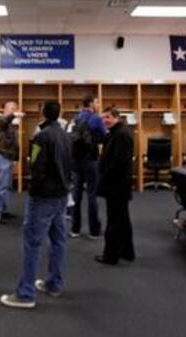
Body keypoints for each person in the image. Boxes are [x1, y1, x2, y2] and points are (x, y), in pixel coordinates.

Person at [0, 101, 72, 309]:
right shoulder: (67, 135)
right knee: (58, 240)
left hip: (43, 197)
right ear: (60, 114)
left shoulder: (41, 136)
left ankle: (25, 294)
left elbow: (36, 166)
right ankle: (54, 284)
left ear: (42, 114)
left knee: (32, 243)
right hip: (61, 195)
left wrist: (35, 189)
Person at [95, 107, 135, 265]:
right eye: (103, 118)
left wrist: (104, 177)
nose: (105, 120)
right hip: (117, 184)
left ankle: (110, 256)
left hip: (116, 185)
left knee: (114, 221)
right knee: (122, 219)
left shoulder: (121, 135)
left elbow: (118, 162)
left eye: (108, 117)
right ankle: (127, 251)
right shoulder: (115, 133)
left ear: (117, 117)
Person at [69, 94, 107, 239]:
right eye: (97, 102)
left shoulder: (76, 117)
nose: (98, 105)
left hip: (75, 160)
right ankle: (94, 230)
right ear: (91, 104)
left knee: (76, 194)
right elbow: (104, 136)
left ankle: (75, 229)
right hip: (90, 160)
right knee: (92, 194)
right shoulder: (96, 118)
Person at [0, 100, 23, 224]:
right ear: (6, 109)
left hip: (7, 157)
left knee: (7, 185)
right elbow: (5, 120)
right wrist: (14, 115)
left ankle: (3, 210)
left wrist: (15, 157)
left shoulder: (9, 124)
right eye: (13, 108)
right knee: (1, 185)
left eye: (16, 108)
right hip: (0, 156)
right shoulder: (1, 120)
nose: (15, 110)